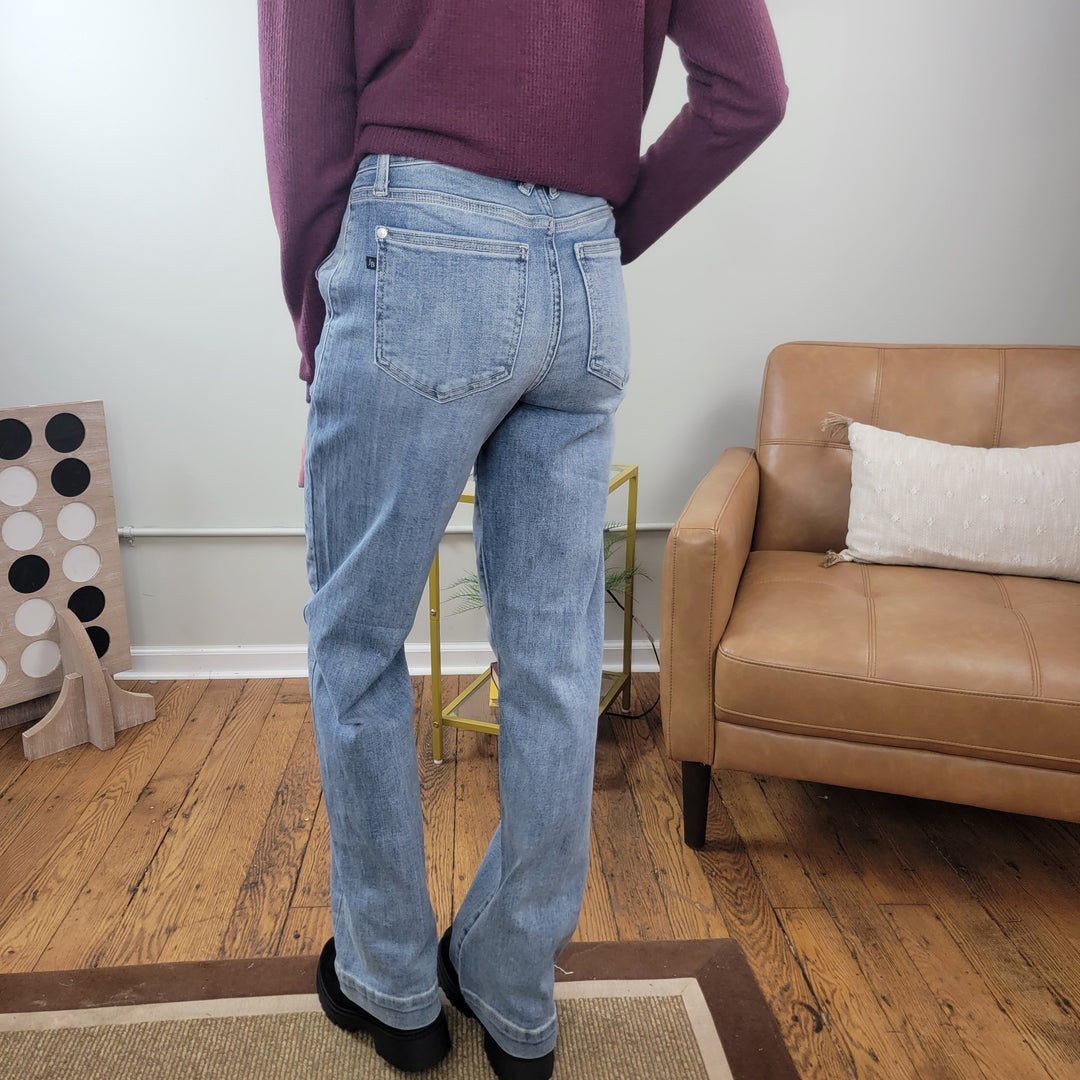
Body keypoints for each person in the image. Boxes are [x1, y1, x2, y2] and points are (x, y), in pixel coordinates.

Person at [258, 3, 786, 1077]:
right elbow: (752, 92)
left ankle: (395, 988)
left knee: (356, 641)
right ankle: (510, 986)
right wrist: (591, 238)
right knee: (552, 659)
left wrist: (322, 334)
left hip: (417, 249)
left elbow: (304, 106)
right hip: (583, 277)